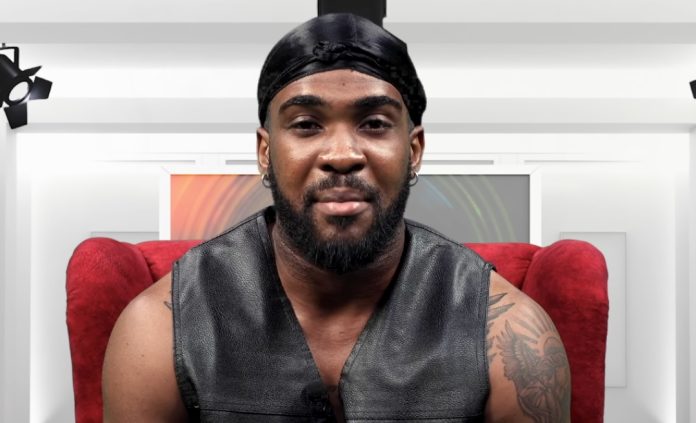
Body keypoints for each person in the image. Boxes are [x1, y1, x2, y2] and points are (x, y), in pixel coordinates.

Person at [102, 13, 571, 423]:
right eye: (306, 125)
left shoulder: (506, 336)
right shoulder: (160, 329)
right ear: (266, 152)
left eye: (375, 124)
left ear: (413, 151)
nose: (343, 155)